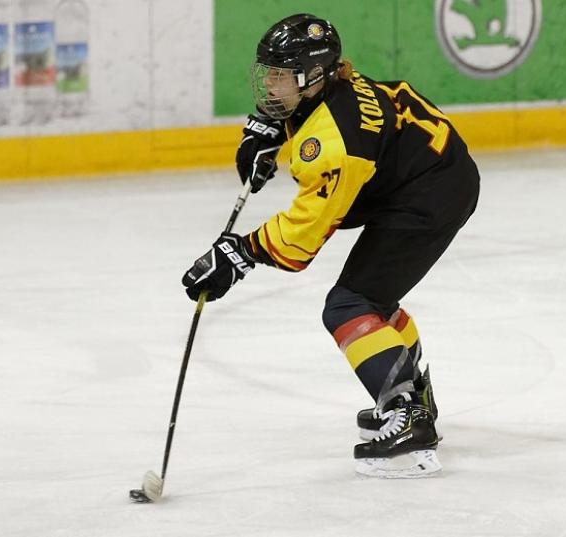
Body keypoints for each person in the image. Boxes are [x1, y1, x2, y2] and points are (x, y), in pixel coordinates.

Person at [182, 13, 480, 478]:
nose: (270, 85)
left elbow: (299, 242)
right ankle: (412, 395)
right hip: (413, 176)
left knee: (350, 306)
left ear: (312, 76)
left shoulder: (334, 144)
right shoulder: (334, 82)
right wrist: (263, 129)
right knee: (371, 299)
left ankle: (410, 420)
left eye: (281, 76)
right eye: (271, 74)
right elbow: (305, 110)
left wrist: (237, 254)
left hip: (429, 194)